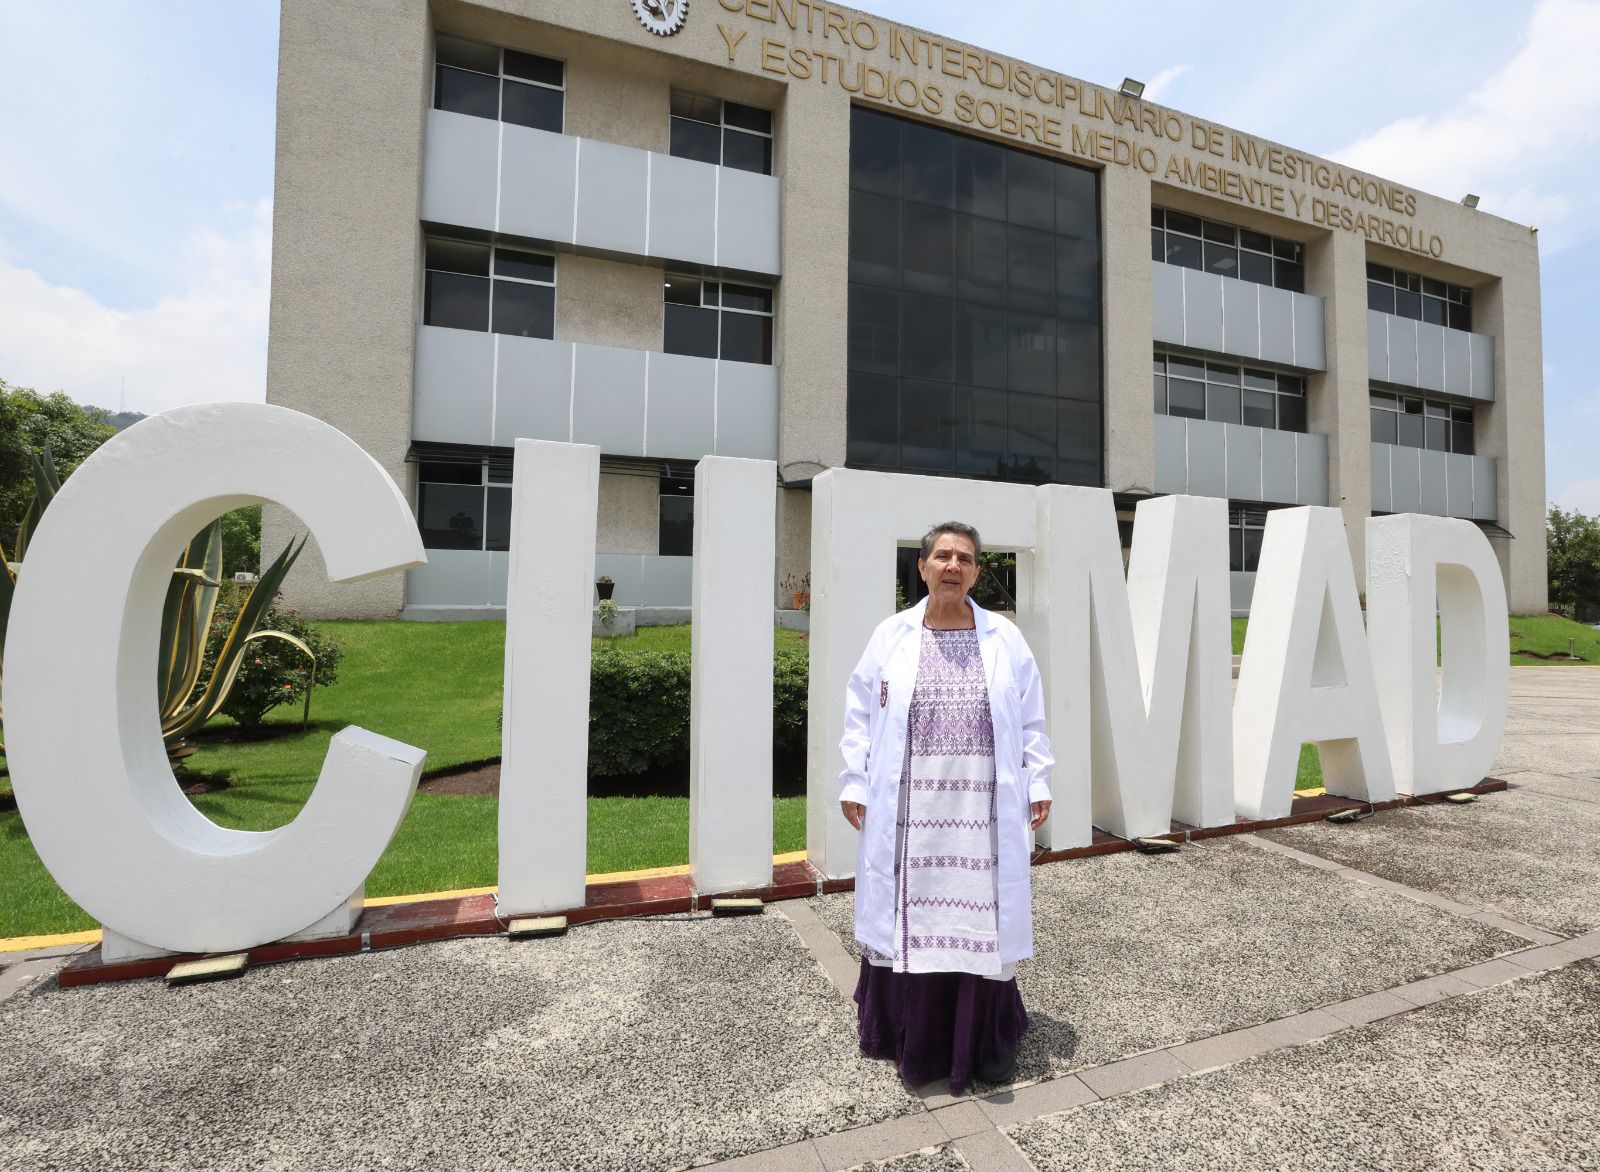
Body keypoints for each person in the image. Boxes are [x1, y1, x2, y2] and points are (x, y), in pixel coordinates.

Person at [839, 521, 1053, 1093]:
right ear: (923, 567)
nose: (953, 566)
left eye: (964, 558)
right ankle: (915, 1037)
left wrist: (1038, 781)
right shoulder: (891, 636)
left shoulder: (1005, 639)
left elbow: (1031, 717)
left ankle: (985, 1041)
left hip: (982, 813)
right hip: (910, 813)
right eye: (942, 556)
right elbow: (859, 715)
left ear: (977, 573)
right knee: (910, 917)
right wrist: (854, 783)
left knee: (981, 918)